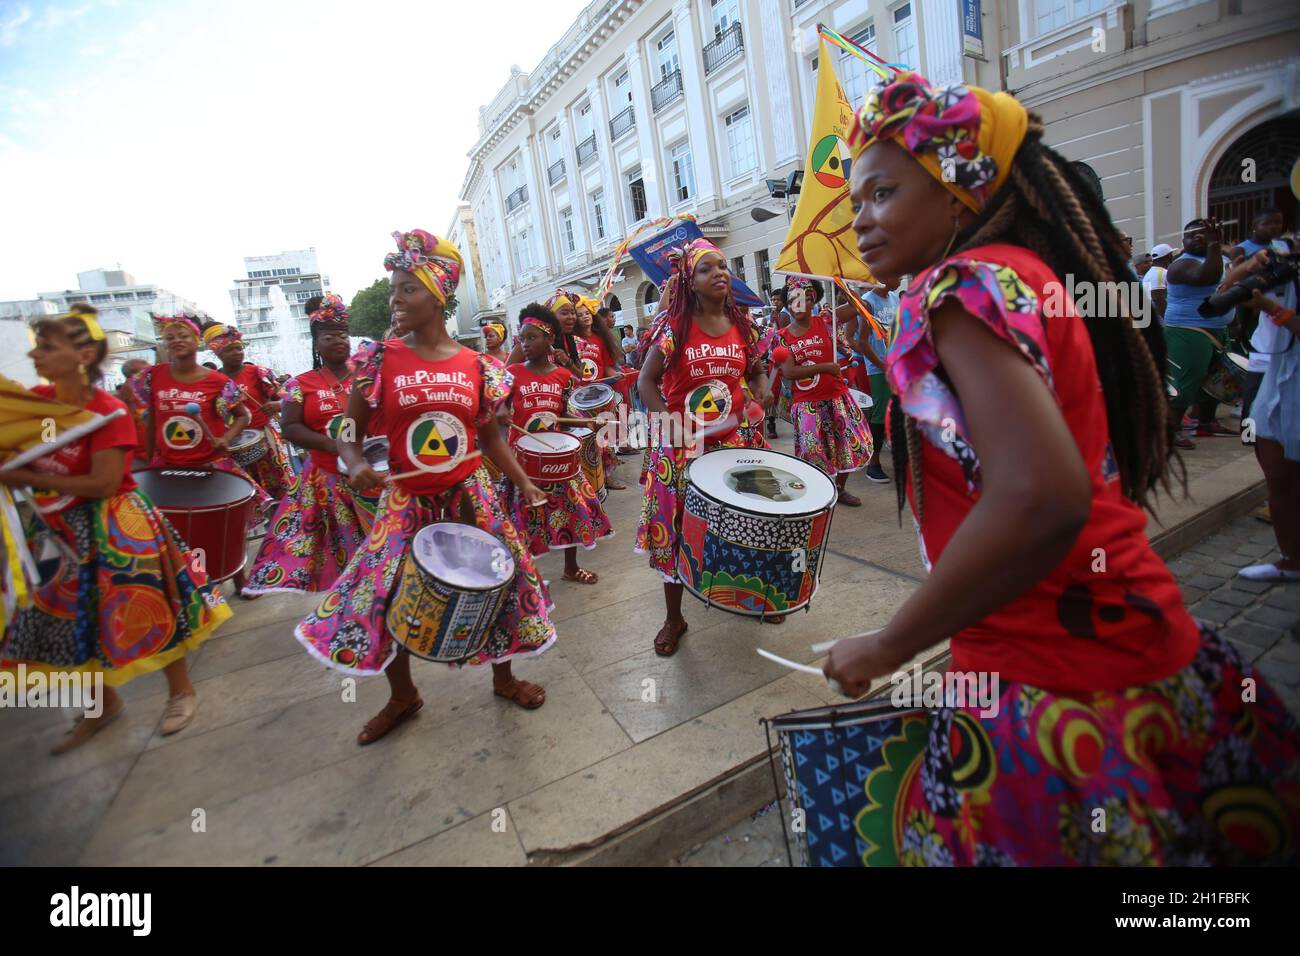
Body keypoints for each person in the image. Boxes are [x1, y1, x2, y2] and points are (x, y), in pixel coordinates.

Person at [831, 70, 1300, 865]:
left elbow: (1039, 494)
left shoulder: (958, 289)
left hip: (1047, 699)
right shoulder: (1024, 274)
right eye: (854, 205)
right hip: (1142, 649)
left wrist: (889, 643)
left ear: (958, 192)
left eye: (882, 194)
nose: (861, 223)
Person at [296, 229, 555, 745]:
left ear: (437, 295)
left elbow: (488, 435)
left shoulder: (476, 365)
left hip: (470, 495)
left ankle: (503, 679)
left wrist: (524, 481)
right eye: (392, 290)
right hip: (406, 501)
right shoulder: (379, 359)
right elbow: (347, 430)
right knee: (383, 593)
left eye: (406, 290)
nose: (395, 300)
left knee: (497, 584)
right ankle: (402, 695)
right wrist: (350, 461)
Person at [0, 311, 231, 753]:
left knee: (148, 605)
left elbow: (103, 484)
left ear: (84, 355)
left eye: (47, 347)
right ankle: (100, 706)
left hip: (114, 526)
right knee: (67, 617)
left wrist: (25, 480)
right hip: (57, 528)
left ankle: (181, 691)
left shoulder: (108, 412)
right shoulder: (40, 403)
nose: (34, 354)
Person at [636, 238, 775, 656]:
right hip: (684, 446)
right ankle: (674, 618)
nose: (719, 273)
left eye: (723, 266)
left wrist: (762, 390)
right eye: (706, 268)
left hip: (734, 440)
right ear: (689, 281)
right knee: (679, 531)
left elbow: (756, 370)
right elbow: (645, 382)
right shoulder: (674, 326)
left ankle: (751, 593)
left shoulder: (744, 325)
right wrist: (671, 423)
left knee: (745, 521)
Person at [243, 294, 375, 595]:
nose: (338, 340)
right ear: (316, 343)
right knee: (346, 551)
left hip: (373, 475)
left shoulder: (369, 376)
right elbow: (290, 427)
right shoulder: (297, 385)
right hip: (328, 482)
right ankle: (351, 602)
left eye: (343, 334)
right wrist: (335, 445)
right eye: (329, 336)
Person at [500, 303, 613, 584]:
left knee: (570, 512)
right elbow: (498, 409)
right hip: (521, 460)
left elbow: (564, 414)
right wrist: (500, 410)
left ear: (550, 339)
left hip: (557, 457)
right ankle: (526, 578)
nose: (525, 344)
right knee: (522, 519)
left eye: (532, 337)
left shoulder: (563, 376)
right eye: (521, 338)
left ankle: (570, 567)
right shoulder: (511, 373)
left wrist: (587, 423)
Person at [772, 276, 872, 506]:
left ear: (812, 300)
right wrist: (826, 367)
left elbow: (862, 307)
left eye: (804, 299)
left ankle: (840, 489)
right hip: (807, 404)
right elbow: (789, 372)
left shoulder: (827, 320)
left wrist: (845, 286)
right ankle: (821, 493)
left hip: (836, 398)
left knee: (843, 445)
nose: (798, 305)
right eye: (793, 300)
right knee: (812, 451)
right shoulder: (782, 337)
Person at [1237, 287, 1299, 582]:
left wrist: (1273, 309)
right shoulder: (1280, 263)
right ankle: (1291, 561)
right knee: (1277, 475)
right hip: (1276, 369)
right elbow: (1225, 292)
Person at [204, 322, 296, 502]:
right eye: (231, 350)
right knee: (246, 493)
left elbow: (289, 398)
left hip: (264, 437)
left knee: (282, 488)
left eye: (239, 348)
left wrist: (277, 406)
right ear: (218, 353)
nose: (237, 352)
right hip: (233, 442)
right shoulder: (214, 380)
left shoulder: (257, 372)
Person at [1228, 209, 1295, 426]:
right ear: (1255, 226)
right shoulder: (1256, 254)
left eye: (1278, 223)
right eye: (1269, 223)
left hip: (1289, 352)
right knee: (1254, 416)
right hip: (1265, 347)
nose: (1275, 227)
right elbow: (1228, 290)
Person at [859, 279, 899, 482]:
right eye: (897, 275)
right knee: (880, 415)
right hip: (878, 368)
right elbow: (862, 342)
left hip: (897, 365)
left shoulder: (894, 298)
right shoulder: (867, 301)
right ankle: (873, 464)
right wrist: (882, 365)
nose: (900, 280)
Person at [1142, 242, 1176, 322]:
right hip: (1160, 320)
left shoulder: (1151, 272)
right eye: (1171, 254)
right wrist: (1168, 320)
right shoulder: (1160, 273)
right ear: (1168, 256)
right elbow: (1157, 298)